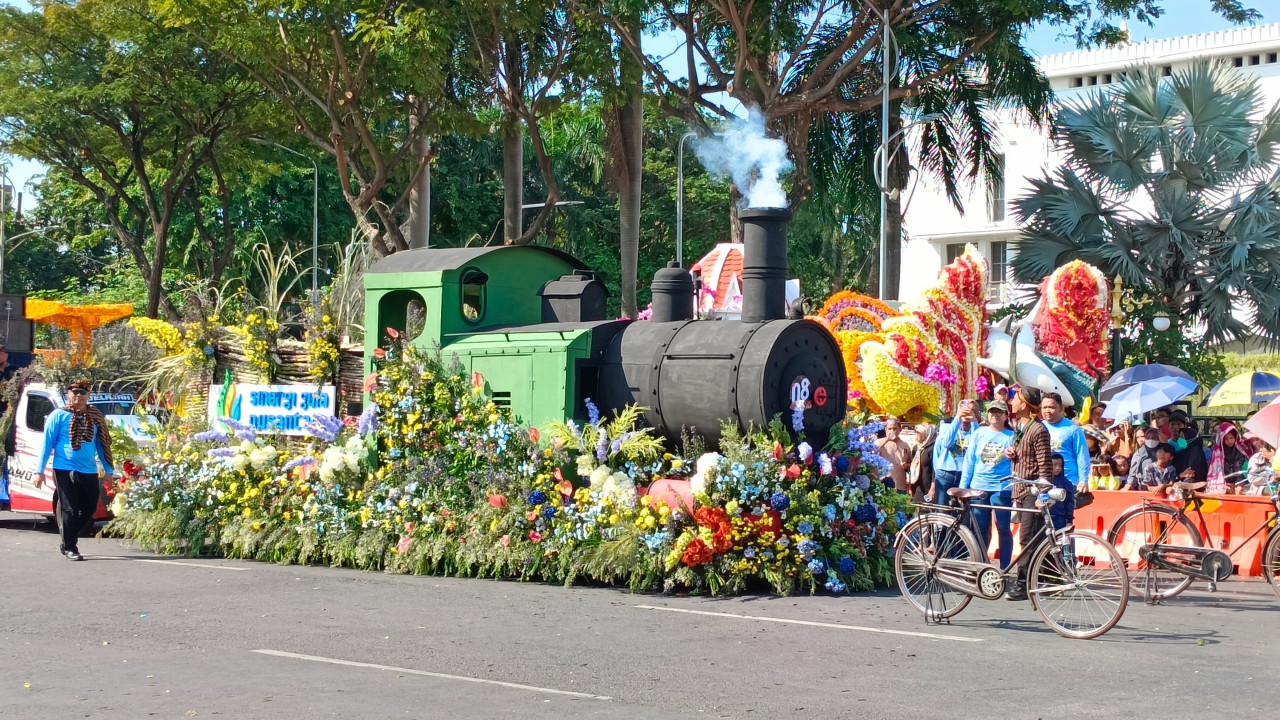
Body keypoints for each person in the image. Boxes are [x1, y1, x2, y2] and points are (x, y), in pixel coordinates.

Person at [34, 379, 115, 561]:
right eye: (75, 392)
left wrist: (109, 470)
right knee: (70, 508)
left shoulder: (95, 416)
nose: (78, 396)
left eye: (82, 392)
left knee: (90, 507)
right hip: (64, 468)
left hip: (88, 469)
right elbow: (47, 444)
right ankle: (71, 547)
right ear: (68, 394)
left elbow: (102, 444)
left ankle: (67, 538)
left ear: (88, 395)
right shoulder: (59, 415)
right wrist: (39, 471)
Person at [1004, 385, 1054, 600]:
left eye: (1015, 398)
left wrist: (1042, 495)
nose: (1011, 401)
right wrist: (1011, 454)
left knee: (1028, 538)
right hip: (1020, 488)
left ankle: (1023, 584)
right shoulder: (1020, 427)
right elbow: (1025, 457)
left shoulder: (1038, 430)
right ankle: (1041, 577)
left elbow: (1045, 466)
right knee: (1032, 538)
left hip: (1033, 490)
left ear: (1023, 405)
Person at [959, 400, 1016, 570]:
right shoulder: (979, 433)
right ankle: (981, 566)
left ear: (1006, 416)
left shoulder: (1011, 436)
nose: (995, 415)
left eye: (999, 412)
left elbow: (1018, 462)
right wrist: (964, 487)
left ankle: (1004, 567)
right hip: (979, 486)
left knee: (1003, 527)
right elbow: (969, 461)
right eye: (992, 411)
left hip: (1001, 488)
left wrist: (1013, 455)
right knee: (981, 528)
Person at [929, 398, 979, 505]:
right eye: (964, 410)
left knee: (963, 511)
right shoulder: (947, 427)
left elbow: (977, 446)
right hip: (946, 473)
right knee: (944, 510)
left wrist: (974, 422)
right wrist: (957, 419)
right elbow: (946, 443)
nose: (967, 414)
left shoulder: (978, 430)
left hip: (966, 474)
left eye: (972, 410)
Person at [1041, 392, 1091, 493]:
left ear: (1061, 408)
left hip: (1068, 482)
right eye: (1044, 407)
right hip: (1044, 482)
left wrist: (1083, 481)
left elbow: (1082, 455)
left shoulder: (1073, 429)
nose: (1047, 411)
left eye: (1051, 407)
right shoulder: (1038, 427)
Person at [1207, 421, 1250, 494]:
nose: (1229, 441)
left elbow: (1244, 469)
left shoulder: (1241, 450)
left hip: (1240, 482)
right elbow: (1216, 472)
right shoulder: (1217, 454)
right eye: (1226, 439)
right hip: (1224, 483)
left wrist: (1238, 483)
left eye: (1231, 438)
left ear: (1235, 437)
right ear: (1222, 439)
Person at [1168, 412, 1209, 485]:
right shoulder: (1170, 447)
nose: (1175, 427)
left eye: (1178, 424)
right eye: (1172, 424)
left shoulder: (1194, 451)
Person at [876, 417, 914, 493]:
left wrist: (906, 466)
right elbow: (873, 451)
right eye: (889, 429)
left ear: (900, 430)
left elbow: (911, 464)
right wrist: (887, 439)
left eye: (894, 429)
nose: (892, 431)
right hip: (884, 484)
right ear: (885, 430)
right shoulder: (879, 442)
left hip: (900, 485)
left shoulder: (905, 445)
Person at [1040, 454, 1077, 531]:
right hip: (1042, 518)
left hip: (1059, 519)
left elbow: (1069, 503)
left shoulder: (1066, 483)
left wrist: (1069, 520)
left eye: (1060, 465)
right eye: (1054, 465)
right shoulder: (1041, 481)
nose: (1058, 468)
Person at [908, 423, 937, 504]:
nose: (916, 435)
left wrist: (932, 489)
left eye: (919, 433)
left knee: (926, 511)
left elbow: (935, 470)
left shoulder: (932, 449)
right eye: (916, 432)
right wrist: (909, 486)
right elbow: (911, 467)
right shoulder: (916, 448)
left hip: (927, 487)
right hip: (916, 486)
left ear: (926, 434)